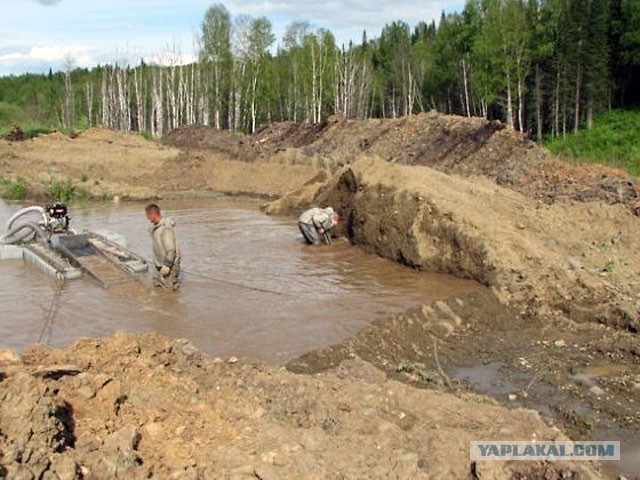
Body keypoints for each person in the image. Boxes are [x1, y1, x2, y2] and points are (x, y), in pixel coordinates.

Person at [145, 203, 181, 290]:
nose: (147, 219)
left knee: (169, 291)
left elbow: (171, 249)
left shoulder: (165, 228)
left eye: (148, 216)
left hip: (169, 265)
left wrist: (167, 265)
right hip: (159, 263)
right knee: (157, 288)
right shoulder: (156, 228)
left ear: (152, 214)